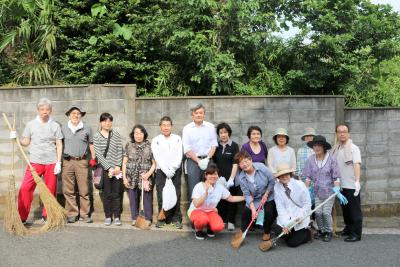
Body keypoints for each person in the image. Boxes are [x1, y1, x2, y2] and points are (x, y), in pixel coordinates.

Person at [10, 98, 63, 223]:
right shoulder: (31, 125)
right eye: (42, 109)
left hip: (51, 162)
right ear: (38, 110)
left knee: (50, 189)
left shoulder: (55, 125)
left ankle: (47, 215)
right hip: (35, 162)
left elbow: (59, 144)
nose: (45, 112)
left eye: (47, 109)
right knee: (25, 188)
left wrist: (58, 162)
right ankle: (22, 217)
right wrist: (16, 137)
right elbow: (26, 142)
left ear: (51, 111)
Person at [303, 135, 344, 242]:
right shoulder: (310, 160)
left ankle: (328, 231)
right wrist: (306, 190)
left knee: (326, 212)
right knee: (317, 213)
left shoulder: (331, 159)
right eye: (315, 145)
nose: (316, 148)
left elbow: (336, 176)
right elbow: (307, 176)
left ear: (324, 147)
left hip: (330, 191)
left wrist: (337, 189)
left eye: (319, 146)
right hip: (317, 191)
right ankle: (321, 230)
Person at [189, 164, 244, 240]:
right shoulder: (199, 186)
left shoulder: (219, 187)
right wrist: (206, 193)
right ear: (206, 175)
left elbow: (231, 198)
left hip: (210, 211)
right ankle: (198, 230)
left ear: (218, 176)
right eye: (210, 174)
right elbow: (196, 204)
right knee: (202, 220)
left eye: (215, 174)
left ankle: (209, 227)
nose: (213, 176)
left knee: (219, 226)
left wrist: (245, 197)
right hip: (197, 210)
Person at [61, 105, 96, 223]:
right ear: (69, 115)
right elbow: (58, 144)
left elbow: (91, 144)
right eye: (73, 113)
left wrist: (93, 158)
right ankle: (72, 213)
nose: (76, 115)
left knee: (84, 190)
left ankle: (85, 214)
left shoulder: (87, 128)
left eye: (78, 113)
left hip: (82, 161)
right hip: (67, 162)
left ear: (81, 115)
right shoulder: (63, 128)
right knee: (68, 189)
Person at [235, 151, 277, 244]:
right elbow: (246, 194)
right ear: (239, 165)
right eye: (241, 163)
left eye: (246, 161)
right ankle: (243, 230)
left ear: (251, 160)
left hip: (269, 195)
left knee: (269, 211)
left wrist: (266, 194)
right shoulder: (241, 177)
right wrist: (253, 209)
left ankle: (266, 231)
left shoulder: (261, 167)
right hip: (255, 198)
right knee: (247, 211)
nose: (244, 164)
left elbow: (272, 181)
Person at [332, 124, 363, 242]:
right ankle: (348, 229)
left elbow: (356, 164)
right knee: (345, 210)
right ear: (336, 134)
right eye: (339, 132)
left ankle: (356, 233)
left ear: (348, 133)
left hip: (351, 185)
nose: (342, 134)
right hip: (340, 185)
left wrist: (357, 181)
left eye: (344, 131)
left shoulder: (353, 148)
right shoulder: (336, 149)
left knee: (354, 210)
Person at [151, 116, 183, 229]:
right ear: (160, 127)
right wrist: (166, 170)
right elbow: (157, 157)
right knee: (161, 194)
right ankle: (162, 218)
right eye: (163, 125)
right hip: (161, 171)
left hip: (175, 171)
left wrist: (173, 169)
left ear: (171, 126)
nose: (166, 127)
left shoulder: (178, 138)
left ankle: (176, 218)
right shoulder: (155, 140)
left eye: (168, 125)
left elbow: (180, 155)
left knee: (176, 194)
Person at [182, 103, 218, 200]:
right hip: (193, 162)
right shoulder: (187, 128)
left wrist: (207, 159)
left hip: (208, 160)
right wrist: (198, 161)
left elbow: (214, 145)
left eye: (201, 113)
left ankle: (210, 211)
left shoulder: (210, 126)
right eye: (196, 113)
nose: (199, 115)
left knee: (211, 186)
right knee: (193, 187)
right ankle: (193, 213)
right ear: (192, 115)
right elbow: (187, 149)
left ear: (204, 114)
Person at [122, 124, 156, 227]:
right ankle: (135, 218)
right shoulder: (129, 145)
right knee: (133, 198)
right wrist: (124, 177)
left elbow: (154, 163)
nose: (138, 135)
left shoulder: (150, 146)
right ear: (133, 134)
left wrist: (148, 174)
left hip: (145, 177)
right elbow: (124, 162)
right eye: (136, 133)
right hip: (131, 177)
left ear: (144, 134)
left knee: (147, 198)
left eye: (140, 133)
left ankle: (148, 218)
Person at [93, 113, 123, 226]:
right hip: (105, 170)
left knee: (116, 194)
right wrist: (109, 168)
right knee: (106, 194)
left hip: (116, 170)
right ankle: (108, 216)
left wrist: (117, 166)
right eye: (105, 121)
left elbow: (119, 150)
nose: (107, 123)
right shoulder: (96, 136)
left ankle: (117, 216)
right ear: (101, 122)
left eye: (110, 121)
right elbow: (99, 154)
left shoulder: (116, 134)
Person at [272, 163, 312, 248]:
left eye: (286, 174)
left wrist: (301, 216)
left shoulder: (300, 185)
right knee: (277, 230)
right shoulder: (277, 187)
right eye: (281, 175)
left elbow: (307, 204)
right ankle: (292, 232)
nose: (284, 177)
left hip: (300, 217)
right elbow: (280, 208)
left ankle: (308, 233)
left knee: (292, 243)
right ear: (278, 177)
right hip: (287, 218)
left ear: (290, 174)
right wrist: (285, 225)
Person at [213, 122, 240, 231]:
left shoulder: (234, 146)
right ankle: (223, 220)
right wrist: (216, 178)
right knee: (221, 200)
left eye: (225, 132)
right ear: (218, 134)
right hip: (219, 179)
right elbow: (214, 163)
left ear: (229, 133)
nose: (223, 134)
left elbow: (235, 163)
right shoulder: (216, 146)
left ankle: (231, 221)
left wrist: (231, 179)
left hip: (231, 179)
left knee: (231, 200)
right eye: (221, 132)